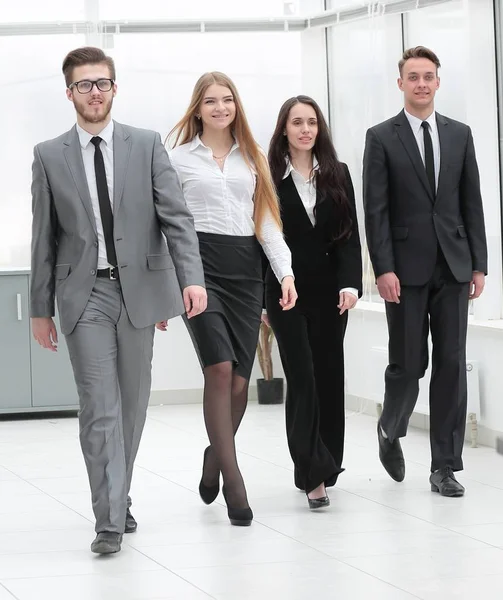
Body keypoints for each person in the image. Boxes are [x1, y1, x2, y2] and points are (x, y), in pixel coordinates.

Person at [30, 46, 206, 554]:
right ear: (70, 93)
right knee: (99, 408)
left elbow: (176, 218)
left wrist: (189, 280)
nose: (94, 92)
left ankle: (118, 494)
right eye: (84, 84)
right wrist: (41, 309)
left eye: (102, 82)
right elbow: (44, 237)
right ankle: (108, 519)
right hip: (84, 296)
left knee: (130, 408)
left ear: (114, 87)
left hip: (139, 294)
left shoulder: (147, 145)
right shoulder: (48, 154)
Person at [161, 72, 297, 526]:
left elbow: (267, 222)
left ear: (235, 106)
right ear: (197, 109)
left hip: (244, 271)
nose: (220, 108)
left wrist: (286, 273)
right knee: (218, 369)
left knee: (239, 384)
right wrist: (164, 286)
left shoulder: (252, 158)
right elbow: (162, 226)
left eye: (227, 100)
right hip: (197, 269)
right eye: (210, 101)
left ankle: (213, 457)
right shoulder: (176, 160)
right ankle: (235, 484)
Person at [363, 46, 487, 497]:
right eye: (412, 76)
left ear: (438, 81)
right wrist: (383, 269)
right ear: (400, 83)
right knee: (409, 363)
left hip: (453, 266)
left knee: (452, 363)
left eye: (428, 76)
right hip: (405, 270)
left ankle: (444, 467)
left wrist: (478, 264)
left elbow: (471, 202)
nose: (421, 83)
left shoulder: (460, 134)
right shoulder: (381, 137)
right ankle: (389, 428)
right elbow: (374, 210)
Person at [265, 96, 362, 509]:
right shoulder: (266, 176)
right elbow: (261, 240)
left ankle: (325, 461)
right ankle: (312, 472)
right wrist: (261, 298)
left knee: (327, 376)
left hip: (329, 294)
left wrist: (351, 284)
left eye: (311, 122)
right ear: (283, 129)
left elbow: (348, 235)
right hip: (284, 292)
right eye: (296, 122)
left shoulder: (337, 173)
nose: (305, 129)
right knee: (302, 377)